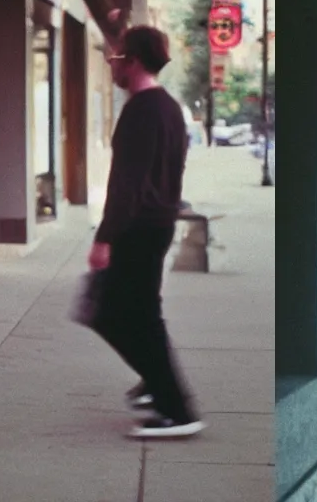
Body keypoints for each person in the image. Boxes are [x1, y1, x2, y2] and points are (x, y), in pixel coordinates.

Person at [87, 26, 205, 439]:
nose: (111, 63)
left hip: (137, 229)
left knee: (117, 314)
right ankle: (157, 383)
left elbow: (128, 184)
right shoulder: (170, 108)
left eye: (116, 57)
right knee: (120, 313)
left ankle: (176, 409)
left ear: (133, 61)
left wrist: (105, 238)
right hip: (156, 225)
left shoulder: (141, 110)